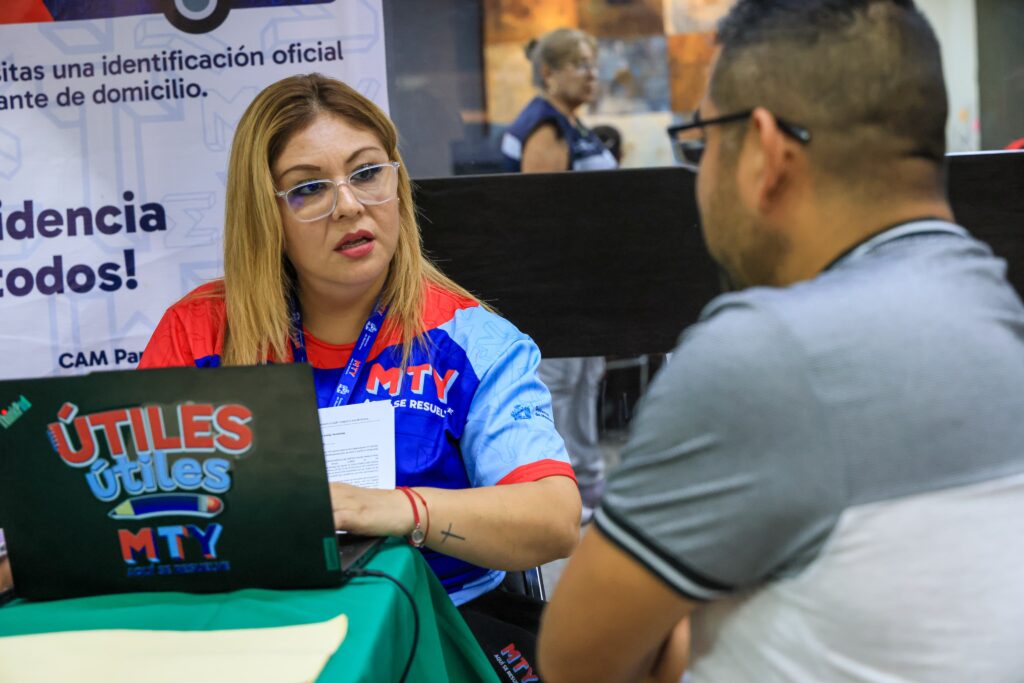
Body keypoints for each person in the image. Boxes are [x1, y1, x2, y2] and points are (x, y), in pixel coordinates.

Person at [538, 2, 1024, 682]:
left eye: (703, 143)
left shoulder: (763, 351)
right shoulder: (1000, 306)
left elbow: (576, 660)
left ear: (765, 151)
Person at [139, 74, 581, 617]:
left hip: (431, 622)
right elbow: (134, 513)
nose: (348, 205)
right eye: (308, 188)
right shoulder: (199, 331)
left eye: (367, 173)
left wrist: (396, 510)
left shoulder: (472, 340)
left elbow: (553, 519)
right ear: (265, 214)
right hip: (249, 621)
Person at [501, 28, 617, 521]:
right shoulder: (545, 127)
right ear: (549, 72)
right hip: (556, 287)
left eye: (594, 64)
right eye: (581, 65)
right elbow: (541, 215)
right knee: (561, 386)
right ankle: (565, 492)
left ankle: (588, 480)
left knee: (585, 380)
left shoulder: (573, 123)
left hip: (584, 282)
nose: (592, 75)